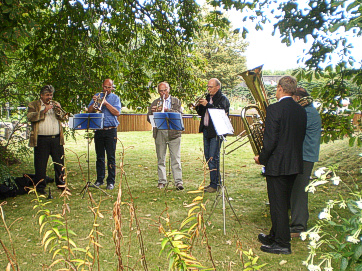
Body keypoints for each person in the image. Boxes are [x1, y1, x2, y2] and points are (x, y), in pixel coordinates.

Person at [254, 76, 307, 254]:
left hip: (278, 164)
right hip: (294, 163)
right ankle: (275, 235)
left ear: (280, 89)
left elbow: (270, 142)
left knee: (278, 205)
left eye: (276, 89)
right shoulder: (300, 110)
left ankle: (283, 244)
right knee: (282, 204)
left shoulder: (275, 108)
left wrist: (261, 158)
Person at [290, 87, 322, 237]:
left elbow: (294, 131)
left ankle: (299, 226)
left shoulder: (307, 113)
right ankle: (295, 221)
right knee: (295, 189)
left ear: (297, 98)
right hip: (303, 155)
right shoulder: (308, 111)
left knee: (299, 191)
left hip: (305, 156)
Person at [27, 85, 68, 194]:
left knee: (59, 163)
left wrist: (58, 109)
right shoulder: (34, 105)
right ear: (41, 95)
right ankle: (40, 187)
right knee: (40, 164)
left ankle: (61, 184)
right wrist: (44, 110)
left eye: (51, 95)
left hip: (56, 139)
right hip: (41, 139)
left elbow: (64, 118)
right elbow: (30, 117)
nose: (49, 97)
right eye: (47, 95)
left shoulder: (55, 104)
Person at [147, 82, 184, 190]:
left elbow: (179, 114)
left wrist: (167, 110)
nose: (163, 93)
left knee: (176, 158)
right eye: (161, 91)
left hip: (174, 132)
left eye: (165, 90)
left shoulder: (176, 101)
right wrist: (152, 113)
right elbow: (148, 118)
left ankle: (178, 182)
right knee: (161, 158)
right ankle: (161, 181)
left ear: (169, 89)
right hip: (160, 132)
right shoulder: (155, 102)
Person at [195, 78, 230, 193]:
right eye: (208, 87)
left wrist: (208, 104)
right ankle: (216, 182)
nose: (209, 89)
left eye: (211, 87)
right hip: (206, 130)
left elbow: (219, 112)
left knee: (212, 157)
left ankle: (214, 185)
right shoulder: (207, 97)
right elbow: (202, 113)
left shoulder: (223, 99)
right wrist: (198, 106)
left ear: (217, 87)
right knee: (208, 156)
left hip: (216, 131)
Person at [88, 79, 122, 190]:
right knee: (100, 157)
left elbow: (117, 113)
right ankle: (99, 180)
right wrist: (94, 103)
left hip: (110, 130)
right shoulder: (97, 95)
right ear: (102, 86)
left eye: (109, 87)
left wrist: (106, 103)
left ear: (112, 87)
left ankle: (111, 181)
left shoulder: (115, 98)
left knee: (111, 157)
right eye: (105, 87)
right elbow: (89, 111)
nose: (106, 89)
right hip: (99, 130)